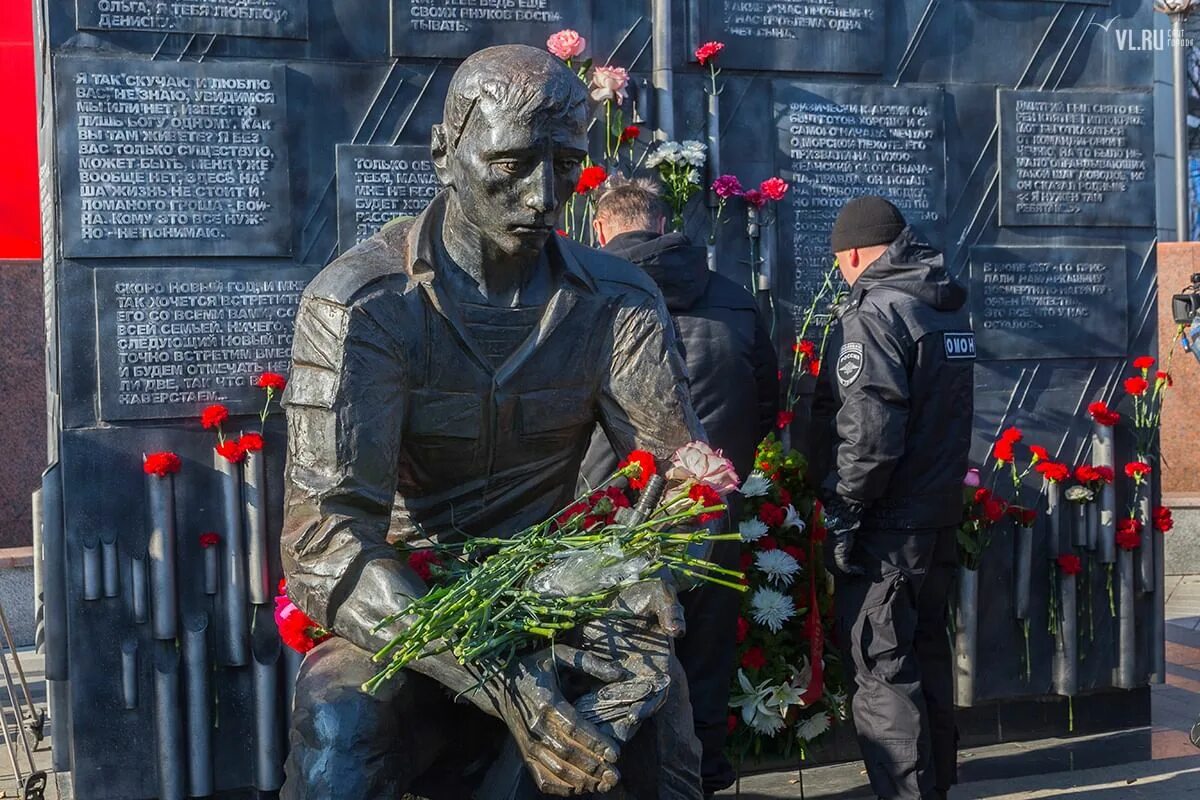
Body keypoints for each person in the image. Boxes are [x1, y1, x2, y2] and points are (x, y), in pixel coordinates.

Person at [279, 45, 707, 799]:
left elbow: (681, 482)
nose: (544, 196)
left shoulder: (620, 303)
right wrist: (503, 682)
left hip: (563, 600)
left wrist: (643, 574)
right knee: (340, 720)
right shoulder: (363, 306)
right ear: (446, 153)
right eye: (512, 164)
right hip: (414, 614)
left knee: (655, 716)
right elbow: (325, 539)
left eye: (567, 165)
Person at [579, 176, 779, 797]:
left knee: (607, 663)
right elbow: (766, 402)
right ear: (665, 227)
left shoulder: (579, 291)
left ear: (600, 230)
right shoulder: (736, 301)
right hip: (708, 513)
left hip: (606, 516)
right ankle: (702, 782)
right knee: (705, 660)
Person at [810, 196, 973, 800]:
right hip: (934, 520)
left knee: (882, 673)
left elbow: (870, 429)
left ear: (852, 253)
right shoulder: (942, 307)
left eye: (839, 263)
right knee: (926, 658)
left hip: (887, 527)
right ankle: (935, 788)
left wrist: (846, 510)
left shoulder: (876, 312)